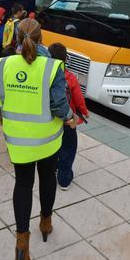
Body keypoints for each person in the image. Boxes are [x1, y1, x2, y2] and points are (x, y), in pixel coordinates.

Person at [0, 19, 74, 260]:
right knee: (48, 178)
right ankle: (45, 223)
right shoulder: (52, 67)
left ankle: (21, 242)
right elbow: (60, 105)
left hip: (17, 141)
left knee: (23, 184)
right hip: (48, 141)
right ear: (41, 39)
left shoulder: (2, 64)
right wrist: (70, 119)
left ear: (16, 37)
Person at [47, 43, 91, 191]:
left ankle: (52, 170)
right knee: (68, 148)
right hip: (68, 121)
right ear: (66, 59)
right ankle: (64, 179)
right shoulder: (70, 77)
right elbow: (78, 99)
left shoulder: (44, 76)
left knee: (53, 147)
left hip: (50, 120)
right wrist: (85, 112)